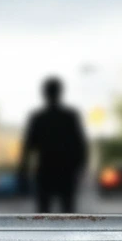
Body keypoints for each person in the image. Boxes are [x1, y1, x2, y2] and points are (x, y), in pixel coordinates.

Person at [19, 77, 87, 213]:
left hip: (46, 172)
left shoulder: (38, 118)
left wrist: (23, 173)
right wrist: (78, 168)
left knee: (44, 216)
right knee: (68, 213)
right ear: (60, 92)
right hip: (65, 172)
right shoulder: (70, 117)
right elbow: (80, 146)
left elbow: (28, 148)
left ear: (45, 93)